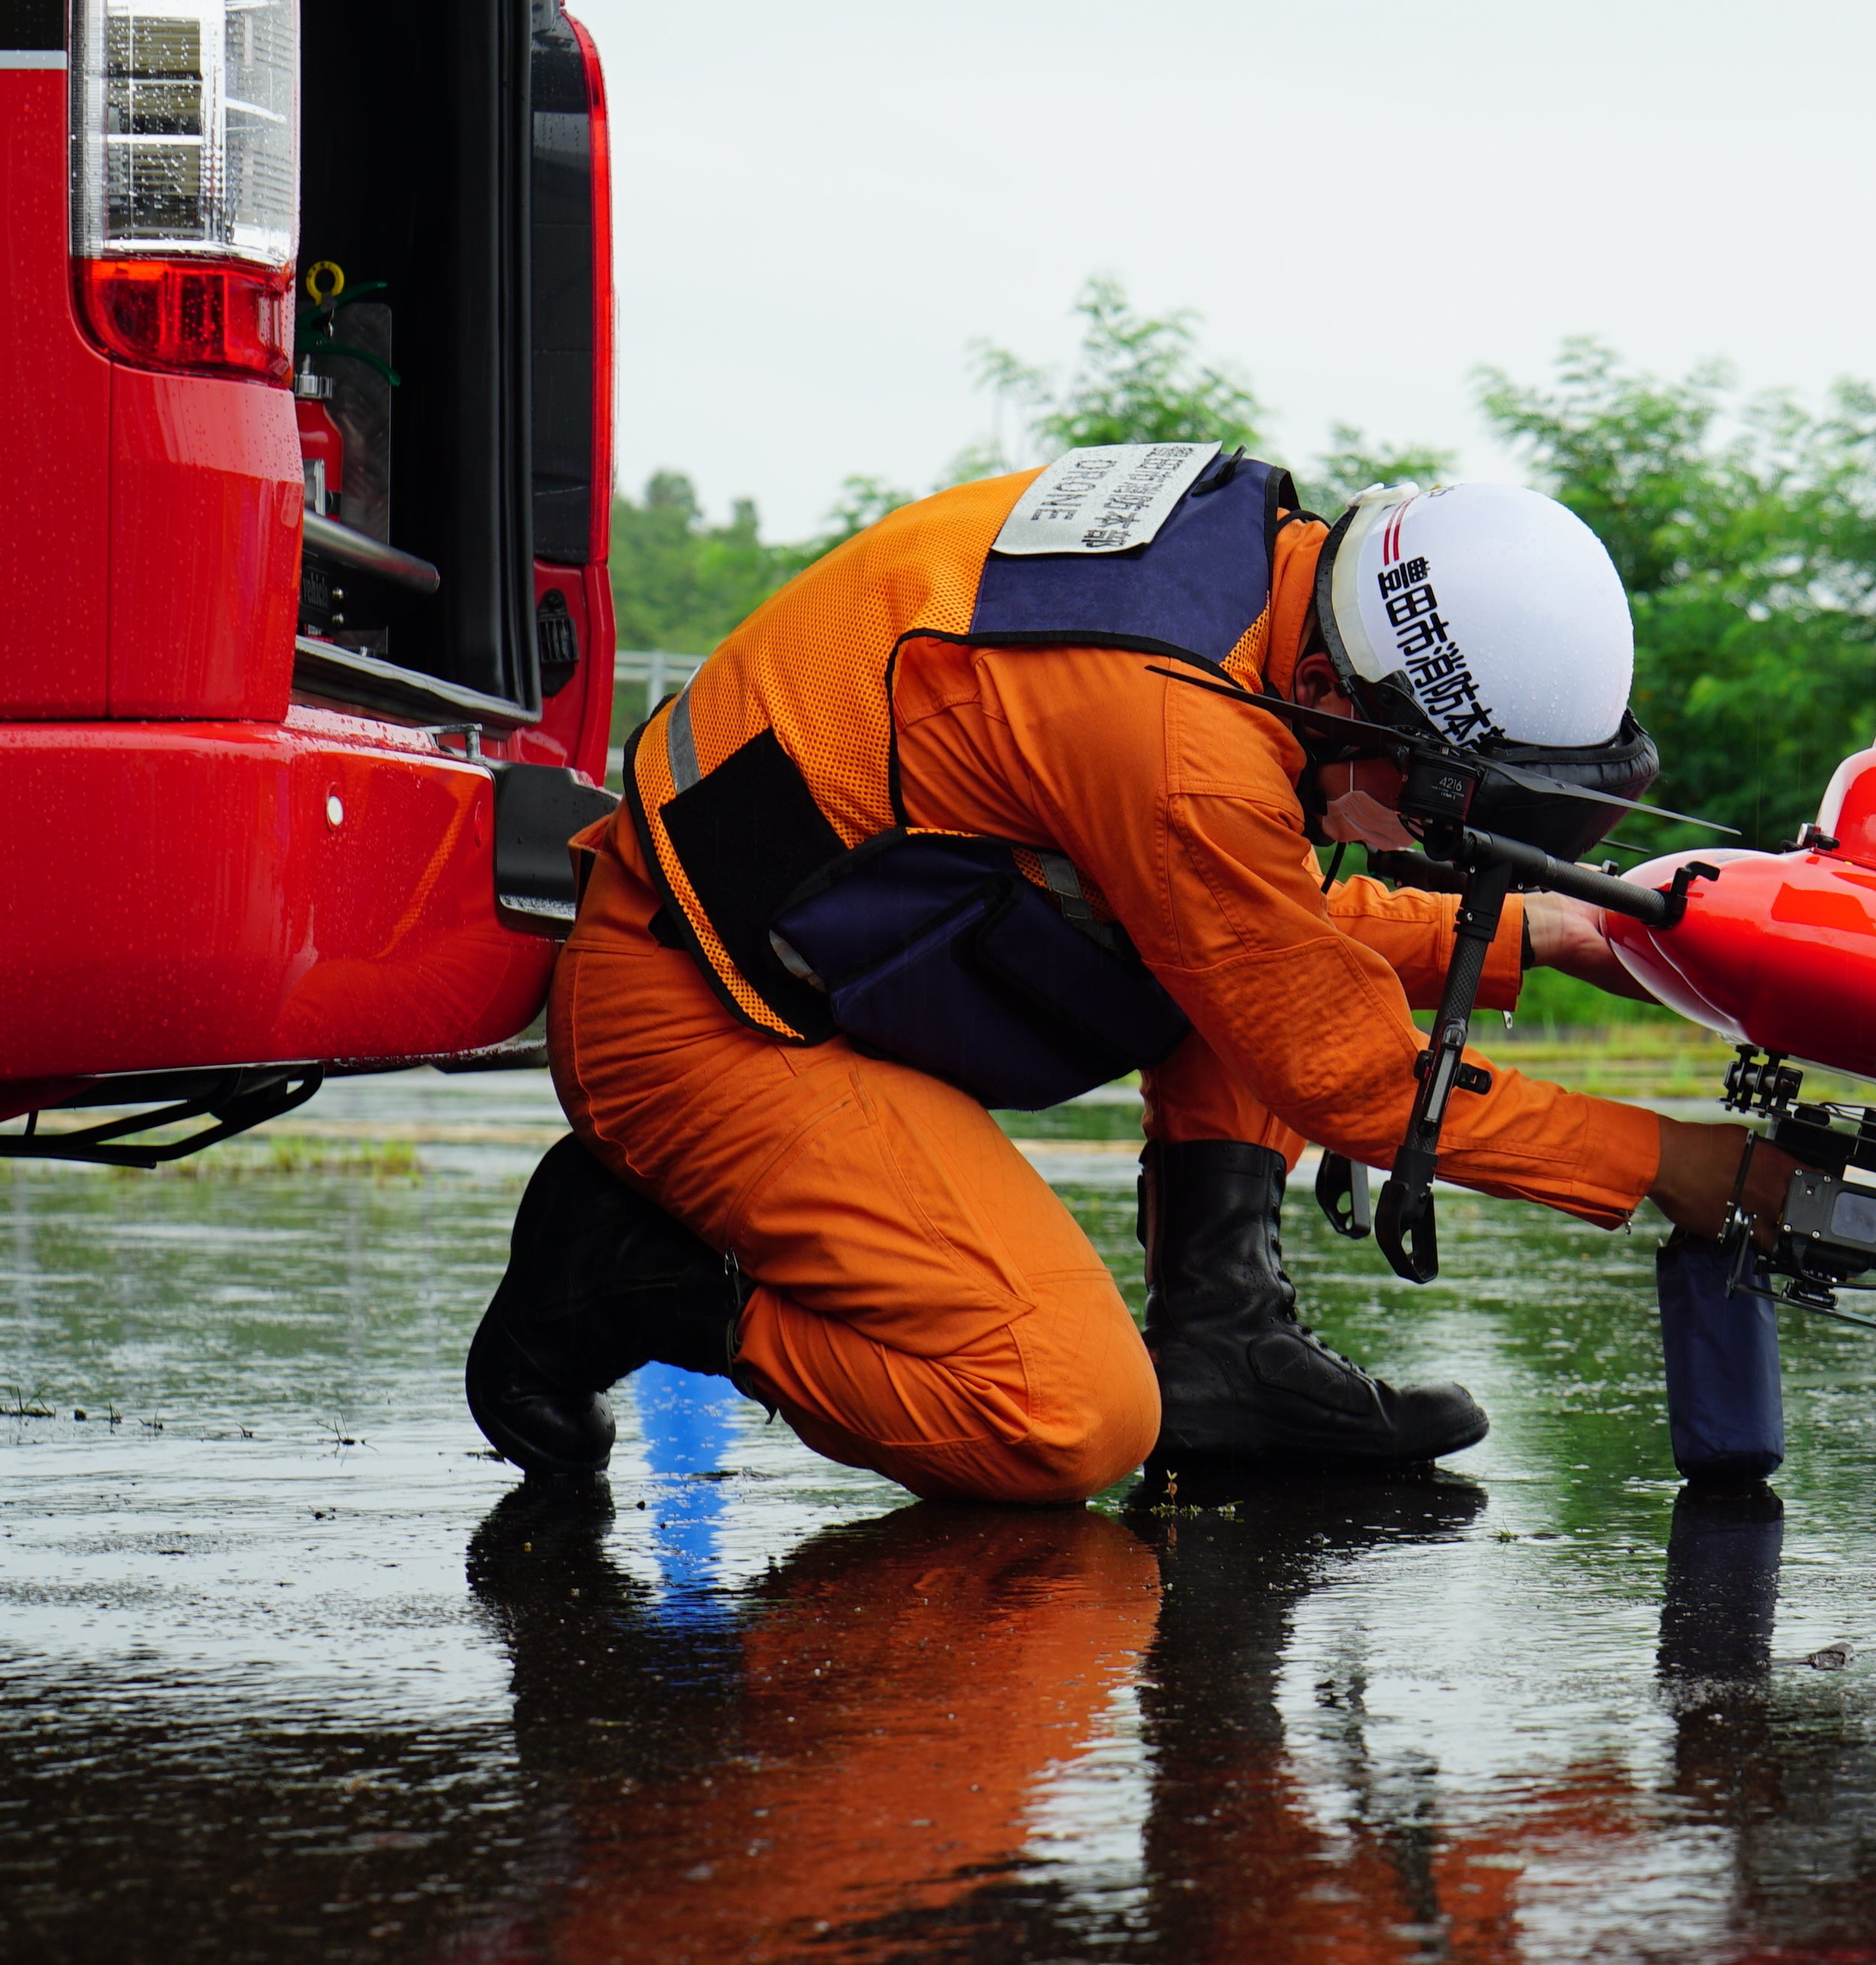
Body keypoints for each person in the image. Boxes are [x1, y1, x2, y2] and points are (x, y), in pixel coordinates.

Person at [466, 447, 1795, 1503]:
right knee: (1069, 1413)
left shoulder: (1256, 590)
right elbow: (1344, 1070)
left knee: (1263, 964)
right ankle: (635, 1275)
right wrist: (1686, 1168)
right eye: (1439, 801)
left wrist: (1545, 933)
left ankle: (1227, 1346)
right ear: (1338, 684)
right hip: (695, 1014)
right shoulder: (1181, 744)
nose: (1445, 839)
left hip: (794, 942)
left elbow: (1250, 911)